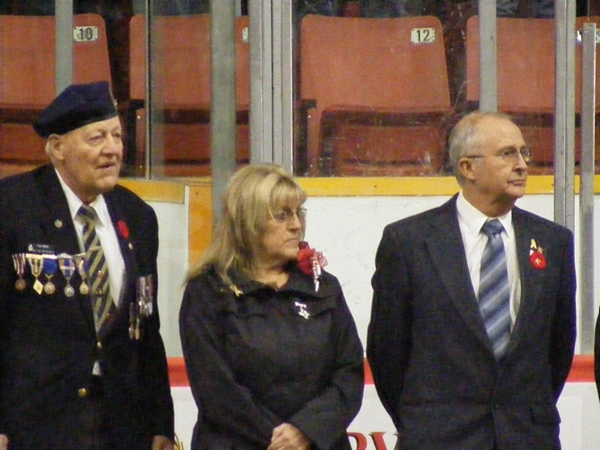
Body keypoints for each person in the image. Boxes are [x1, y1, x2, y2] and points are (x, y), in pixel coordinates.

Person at [367, 111, 576, 449]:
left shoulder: (554, 242)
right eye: (507, 153)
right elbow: (387, 351)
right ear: (467, 168)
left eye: (524, 152)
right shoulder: (409, 242)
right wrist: (423, 421)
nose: (522, 164)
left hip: (526, 437)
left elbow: (559, 346)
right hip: (439, 438)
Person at [0, 81, 174, 449]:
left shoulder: (137, 217)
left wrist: (161, 420)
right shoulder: (13, 208)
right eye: (96, 138)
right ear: (58, 147)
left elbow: (146, 327)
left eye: (117, 136)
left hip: (121, 423)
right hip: (37, 423)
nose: (112, 149)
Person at [179, 164, 364, 449]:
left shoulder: (322, 286)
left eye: (298, 212)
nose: (296, 225)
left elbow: (348, 373)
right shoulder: (208, 291)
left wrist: (306, 430)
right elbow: (215, 389)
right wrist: (279, 439)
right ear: (248, 222)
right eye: (282, 215)